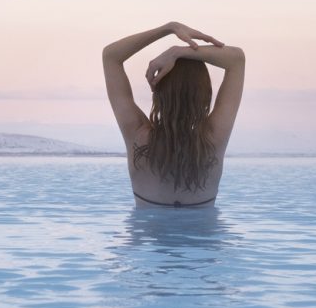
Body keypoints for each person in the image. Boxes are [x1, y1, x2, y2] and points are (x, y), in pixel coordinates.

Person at [102, 21, 245, 207]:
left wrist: (168, 28)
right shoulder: (214, 138)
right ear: (204, 93)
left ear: (159, 90)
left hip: (146, 234)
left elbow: (110, 56)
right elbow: (237, 59)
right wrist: (179, 51)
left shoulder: (136, 134)